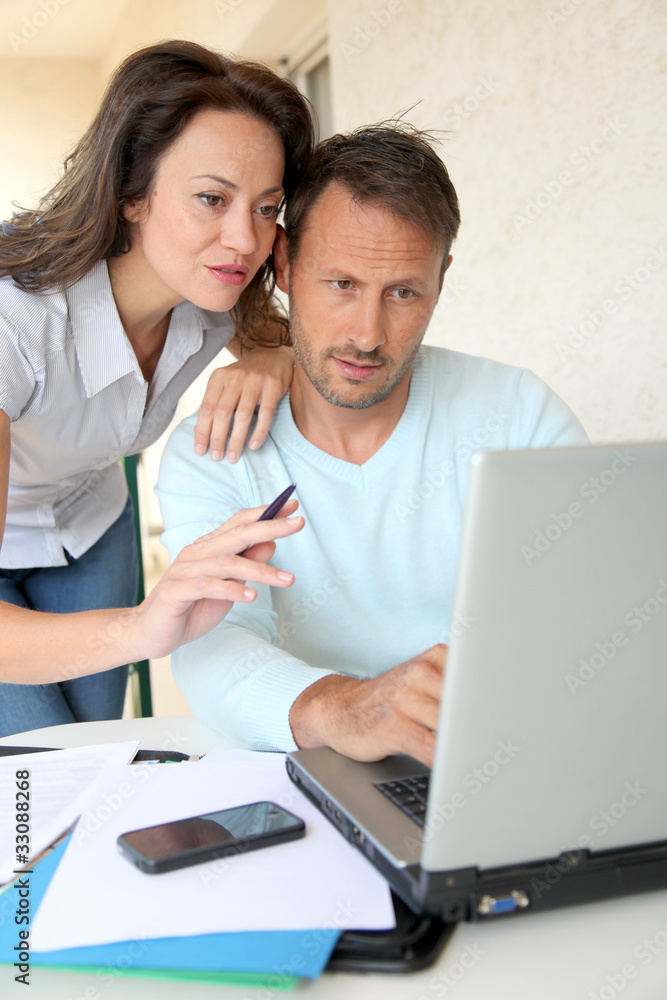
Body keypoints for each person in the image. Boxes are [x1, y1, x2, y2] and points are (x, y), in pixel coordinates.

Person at [157, 124, 589, 768]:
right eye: (341, 285)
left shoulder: (518, 416)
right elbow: (212, 643)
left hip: (499, 757)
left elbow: (581, 613)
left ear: (440, 279)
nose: (367, 334)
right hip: (316, 763)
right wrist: (343, 707)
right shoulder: (214, 451)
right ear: (284, 265)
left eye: (403, 293)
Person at [0, 39, 315, 737]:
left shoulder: (215, 287)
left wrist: (271, 359)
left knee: (95, 749)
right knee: (33, 778)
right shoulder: (14, 328)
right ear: (131, 195)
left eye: (267, 207)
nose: (244, 239)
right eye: (211, 198)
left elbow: (280, 334)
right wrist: (146, 626)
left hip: (90, 523)